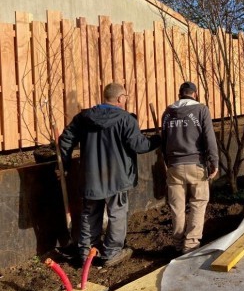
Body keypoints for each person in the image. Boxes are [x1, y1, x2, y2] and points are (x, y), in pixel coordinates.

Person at [59, 83, 161, 267]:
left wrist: (64, 164)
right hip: (117, 178)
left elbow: (66, 139)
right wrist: (158, 139)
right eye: (126, 97)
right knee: (117, 214)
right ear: (120, 98)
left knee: (90, 213)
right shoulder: (126, 120)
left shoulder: (83, 118)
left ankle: (85, 252)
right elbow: (139, 146)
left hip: (91, 177)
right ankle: (111, 253)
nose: (126, 100)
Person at [161, 81, 219, 254]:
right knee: (198, 203)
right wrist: (214, 161)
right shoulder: (201, 110)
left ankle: (178, 244)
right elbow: (209, 138)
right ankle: (191, 245)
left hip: (174, 166)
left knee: (177, 207)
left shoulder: (168, 113)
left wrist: (167, 161)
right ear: (194, 94)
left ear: (180, 94)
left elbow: (164, 141)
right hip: (196, 165)